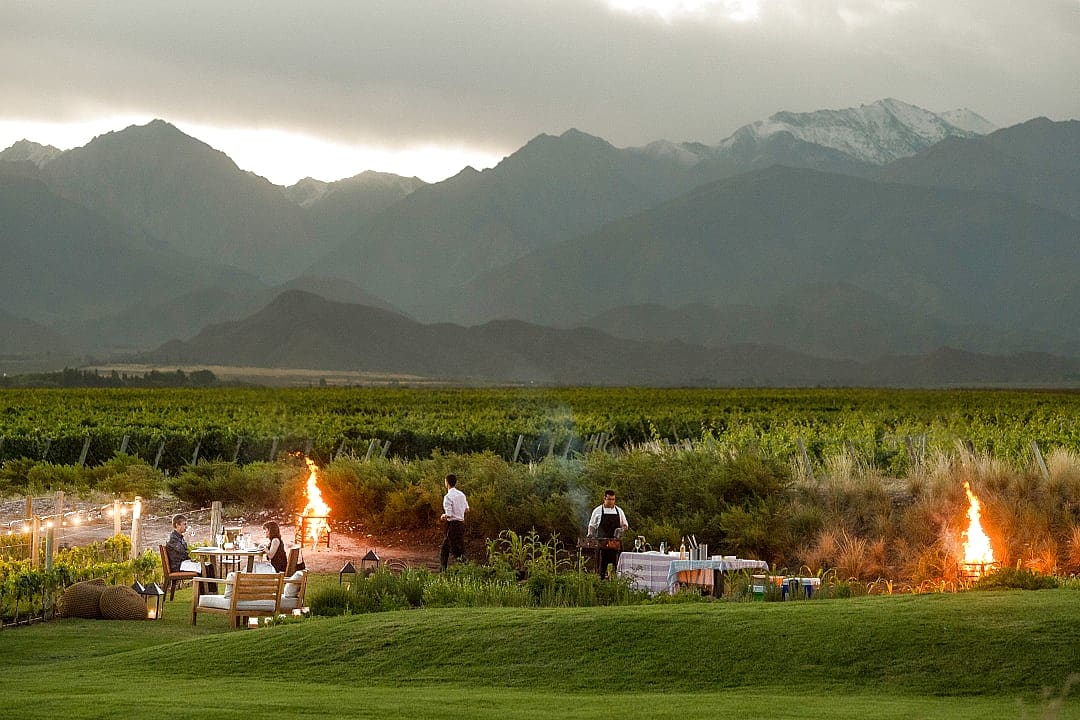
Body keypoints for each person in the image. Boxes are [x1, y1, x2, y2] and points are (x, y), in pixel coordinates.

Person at [587, 489, 628, 579]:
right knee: (601, 567)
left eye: (613, 499)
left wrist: (621, 530)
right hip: (602, 544)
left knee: (618, 567)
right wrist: (590, 534)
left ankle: (617, 584)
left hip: (615, 544)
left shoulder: (619, 511)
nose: (611, 502)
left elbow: (625, 525)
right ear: (604, 499)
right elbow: (592, 526)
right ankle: (600, 583)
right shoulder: (597, 511)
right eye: (609, 499)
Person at [439, 473, 469, 571]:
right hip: (461, 524)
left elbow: (449, 514)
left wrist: (443, 516)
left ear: (447, 483)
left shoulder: (448, 497)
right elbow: (467, 509)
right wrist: (459, 511)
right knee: (457, 547)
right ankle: (466, 567)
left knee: (449, 549)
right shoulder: (462, 495)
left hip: (452, 525)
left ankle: (444, 570)